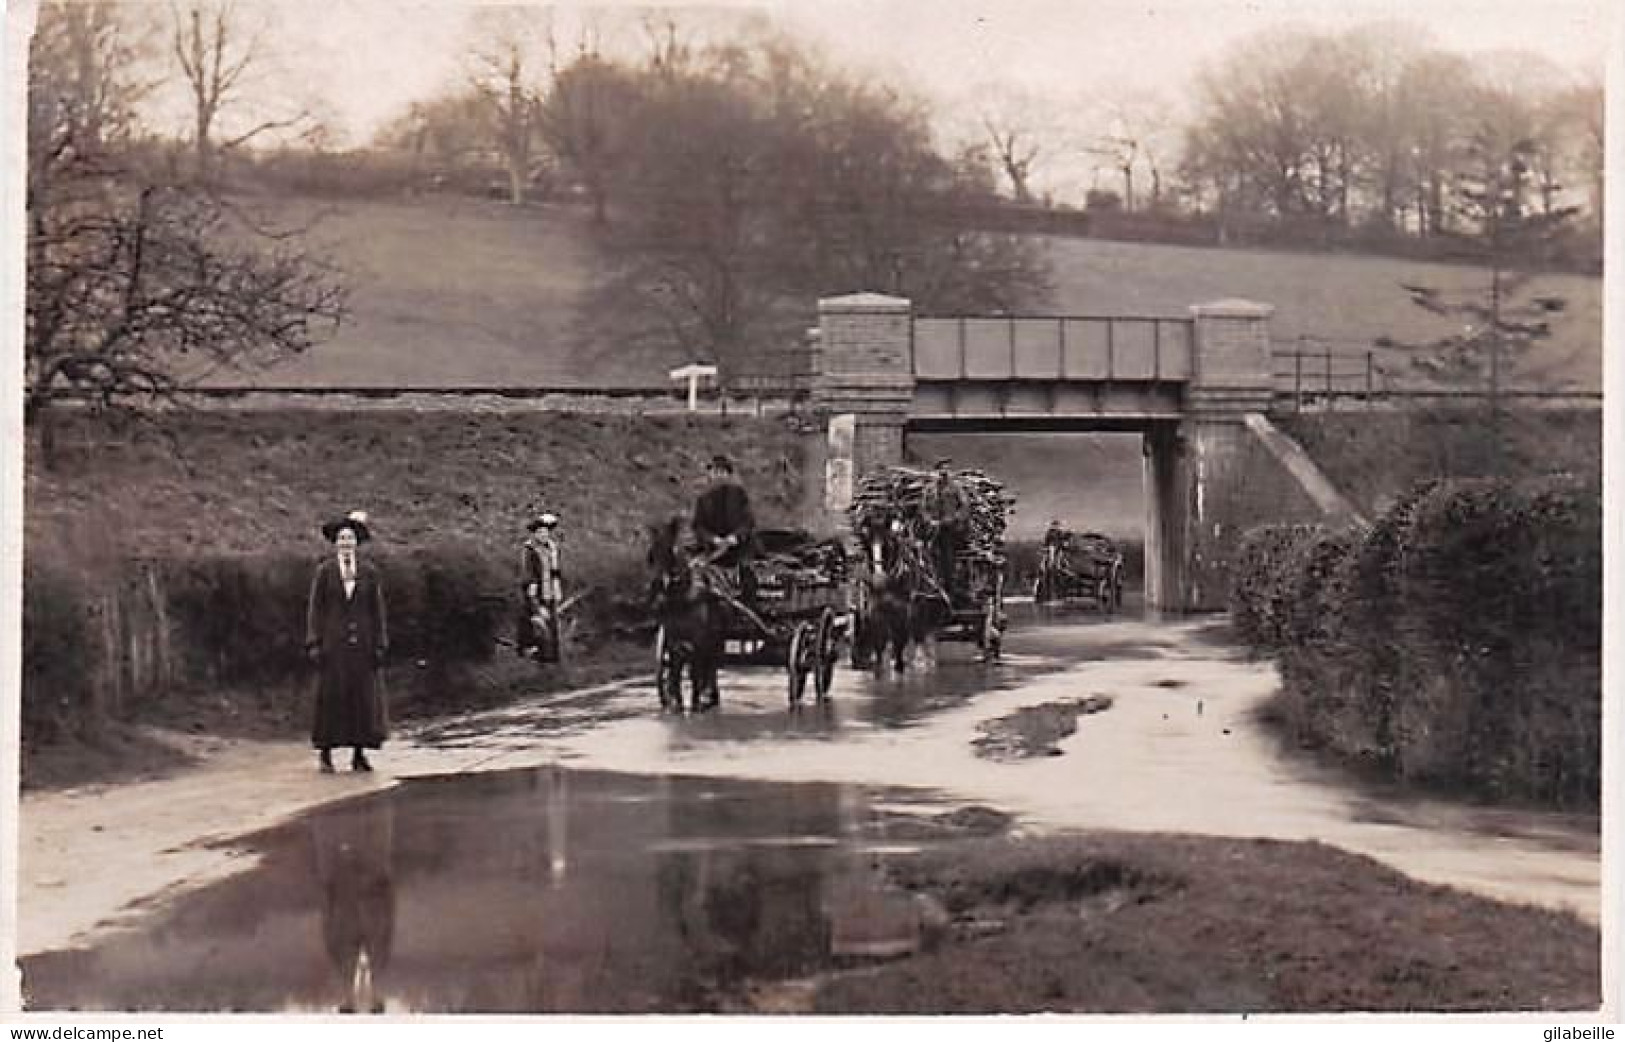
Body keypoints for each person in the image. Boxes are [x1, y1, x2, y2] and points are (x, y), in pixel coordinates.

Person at [306, 510, 389, 774]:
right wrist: (314, 641)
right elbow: (315, 609)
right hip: (333, 645)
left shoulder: (369, 572)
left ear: (357, 542)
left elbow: (377, 610)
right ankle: (326, 754)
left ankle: (359, 753)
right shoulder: (325, 572)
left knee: (362, 700)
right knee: (330, 699)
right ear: (335, 543)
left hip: (362, 646)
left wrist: (379, 643)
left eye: (350, 538)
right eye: (341, 539)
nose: (345, 543)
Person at [691, 453, 757, 601]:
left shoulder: (739, 494)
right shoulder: (703, 499)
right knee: (696, 574)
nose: (719, 476)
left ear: (728, 474)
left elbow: (748, 522)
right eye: (715, 472)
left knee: (747, 572)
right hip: (715, 550)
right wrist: (713, 539)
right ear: (710, 475)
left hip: (740, 550)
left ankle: (750, 607)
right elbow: (698, 526)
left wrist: (735, 537)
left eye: (722, 472)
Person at [518, 511, 565, 662]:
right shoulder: (530, 550)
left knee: (552, 631)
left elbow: (555, 573)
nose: (544, 535)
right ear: (535, 534)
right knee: (539, 630)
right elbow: (529, 577)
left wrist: (557, 592)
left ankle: (552, 664)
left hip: (550, 595)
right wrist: (536, 605)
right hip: (535, 597)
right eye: (540, 532)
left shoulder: (551, 549)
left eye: (546, 531)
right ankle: (539, 662)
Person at [921, 458, 968, 601]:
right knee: (924, 552)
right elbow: (923, 508)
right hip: (933, 529)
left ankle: (950, 583)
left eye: (947, 469)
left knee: (948, 555)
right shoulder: (929, 489)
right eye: (942, 469)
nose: (944, 472)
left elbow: (964, 506)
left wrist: (954, 518)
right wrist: (929, 520)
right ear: (937, 471)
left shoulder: (956, 488)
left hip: (951, 528)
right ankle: (928, 581)